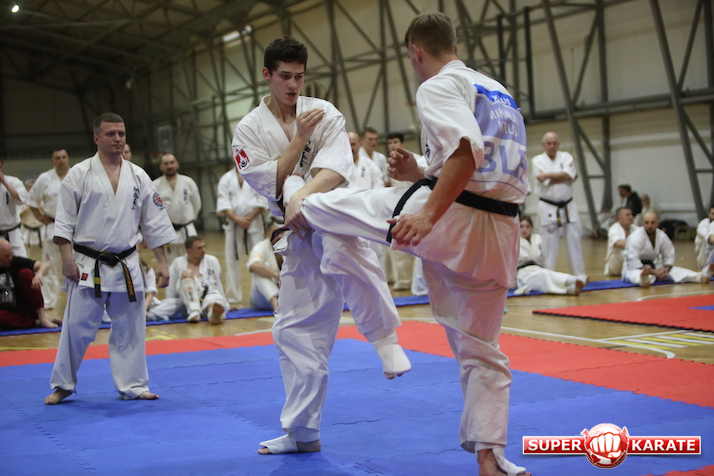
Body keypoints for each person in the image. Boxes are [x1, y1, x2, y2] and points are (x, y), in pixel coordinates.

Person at [300, 13, 530, 475]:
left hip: (449, 217)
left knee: (327, 208)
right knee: (482, 350)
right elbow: (482, 161)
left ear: (416, 51)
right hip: (500, 230)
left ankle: (291, 203)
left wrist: (427, 213)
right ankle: (491, 456)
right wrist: (420, 170)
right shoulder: (497, 91)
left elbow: (466, 153)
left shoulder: (437, 85)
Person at [231, 36, 410, 456]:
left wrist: (301, 195)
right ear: (267, 75)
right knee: (293, 332)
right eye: (285, 77)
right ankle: (303, 433)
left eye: (299, 76)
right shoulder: (248, 129)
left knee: (341, 243)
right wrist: (299, 143)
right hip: (295, 233)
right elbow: (270, 183)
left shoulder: (324, 111)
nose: (294, 85)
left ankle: (385, 337)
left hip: (332, 212)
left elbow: (336, 170)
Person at [45, 112, 176, 405]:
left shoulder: (138, 175)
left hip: (127, 264)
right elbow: (64, 221)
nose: (117, 138)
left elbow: (154, 222)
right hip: (87, 263)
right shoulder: (78, 174)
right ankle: (63, 384)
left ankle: (134, 385)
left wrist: (163, 263)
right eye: (110, 134)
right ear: (96, 138)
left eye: (121, 133)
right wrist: (66, 258)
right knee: (76, 328)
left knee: (131, 329)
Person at [531, 132, 585, 275]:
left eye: (555, 143)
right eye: (549, 143)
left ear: (559, 144)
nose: (552, 146)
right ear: (543, 145)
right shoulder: (537, 160)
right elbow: (542, 179)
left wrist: (548, 174)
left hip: (568, 205)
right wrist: (563, 176)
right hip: (547, 205)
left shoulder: (566, 156)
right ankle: (547, 276)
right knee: (548, 245)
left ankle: (579, 276)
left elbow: (570, 175)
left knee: (575, 241)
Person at [216, 167, 267, 309]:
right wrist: (238, 219)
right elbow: (224, 203)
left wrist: (249, 218)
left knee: (259, 259)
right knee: (231, 261)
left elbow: (262, 200)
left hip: (254, 222)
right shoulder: (226, 179)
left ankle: (261, 295)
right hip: (233, 224)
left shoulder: (256, 175)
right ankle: (233, 298)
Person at [26, 147, 71, 310]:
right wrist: (38, 216)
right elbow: (32, 200)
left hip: (75, 227)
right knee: (50, 265)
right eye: (57, 158)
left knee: (78, 264)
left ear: (68, 158)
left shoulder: (77, 175)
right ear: (52, 161)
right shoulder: (45, 178)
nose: (61, 160)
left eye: (64, 157)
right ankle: (48, 301)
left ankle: (78, 300)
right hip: (53, 225)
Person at [148, 235, 228, 324]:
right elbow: (171, 288)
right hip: (186, 298)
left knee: (214, 301)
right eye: (199, 248)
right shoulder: (178, 262)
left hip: (208, 294)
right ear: (189, 251)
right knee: (187, 273)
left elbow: (218, 284)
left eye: (204, 247)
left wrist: (224, 300)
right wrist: (171, 303)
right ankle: (194, 310)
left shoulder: (212, 260)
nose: (203, 250)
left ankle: (213, 315)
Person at [622, 211, 704, 287]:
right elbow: (634, 262)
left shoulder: (661, 235)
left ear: (657, 224)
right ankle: (644, 279)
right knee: (637, 275)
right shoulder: (635, 237)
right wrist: (653, 272)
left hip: (654, 267)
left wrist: (665, 270)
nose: (649, 225)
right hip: (634, 268)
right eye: (647, 222)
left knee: (677, 272)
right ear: (643, 223)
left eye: (652, 222)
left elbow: (669, 254)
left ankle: (699, 276)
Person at [516, 215, 588, 295]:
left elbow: (543, 257)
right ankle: (575, 279)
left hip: (537, 268)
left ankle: (571, 289)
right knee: (544, 276)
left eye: (527, 226)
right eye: (521, 226)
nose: (524, 229)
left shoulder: (537, 238)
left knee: (547, 274)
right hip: (523, 274)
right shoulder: (514, 241)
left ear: (532, 228)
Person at [0, 238, 59, 330]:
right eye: (6, 256)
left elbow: (45, 265)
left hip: (23, 308)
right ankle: (35, 322)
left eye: (11, 254)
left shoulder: (14, 261)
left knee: (26, 273)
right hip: (4, 312)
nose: (10, 258)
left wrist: (39, 274)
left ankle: (42, 317)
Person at [153, 153, 202, 263]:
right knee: (171, 264)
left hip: (187, 229)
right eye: (166, 164)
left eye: (172, 162)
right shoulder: (155, 185)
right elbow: (153, 210)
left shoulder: (188, 182)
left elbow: (197, 204)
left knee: (191, 263)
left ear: (177, 164)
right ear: (161, 166)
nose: (169, 166)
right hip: (167, 230)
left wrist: (189, 218)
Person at [247, 225, 283, 311]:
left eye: (281, 233)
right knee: (260, 269)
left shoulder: (290, 247)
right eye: (275, 233)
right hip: (262, 299)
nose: (279, 236)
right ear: (268, 234)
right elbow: (254, 265)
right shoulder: (261, 246)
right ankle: (276, 306)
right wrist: (277, 275)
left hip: (285, 296)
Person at [0, 157, 29, 258]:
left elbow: (21, 199)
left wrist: (4, 182)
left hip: (12, 233)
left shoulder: (13, 181)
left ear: (0, 166)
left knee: (22, 261)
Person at [604, 207, 638, 276]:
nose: (631, 217)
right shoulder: (614, 229)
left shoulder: (636, 229)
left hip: (629, 262)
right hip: (615, 265)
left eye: (631, 215)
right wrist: (637, 246)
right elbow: (619, 244)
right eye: (627, 215)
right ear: (619, 218)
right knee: (623, 251)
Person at [20, 178, 43, 248]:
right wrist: (30, 205)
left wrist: (36, 204)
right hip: (26, 231)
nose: (32, 189)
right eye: (30, 187)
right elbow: (19, 215)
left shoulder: (41, 199)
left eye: (34, 187)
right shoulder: (20, 199)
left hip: (40, 230)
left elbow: (46, 212)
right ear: (26, 188)